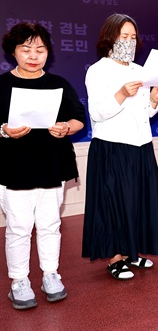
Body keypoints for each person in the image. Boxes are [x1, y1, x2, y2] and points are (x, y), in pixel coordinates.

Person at [0, 22, 86, 309]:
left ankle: (51, 274)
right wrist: (4, 130)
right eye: (26, 49)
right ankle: (19, 281)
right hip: (14, 166)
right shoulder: (1, 85)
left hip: (52, 163)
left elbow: (78, 117)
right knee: (19, 227)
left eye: (40, 49)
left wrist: (66, 127)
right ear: (14, 52)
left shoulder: (59, 84)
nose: (33, 55)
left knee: (50, 224)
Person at [81, 13, 158, 280]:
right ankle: (115, 258)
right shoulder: (98, 70)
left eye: (133, 37)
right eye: (124, 37)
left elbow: (146, 113)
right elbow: (96, 113)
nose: (129, 42)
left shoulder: (140, 71)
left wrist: (153, 100)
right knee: (114, 203)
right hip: (112, 147)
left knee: (138, 200)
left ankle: (133, 251)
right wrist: (121, 94)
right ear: (110, 38)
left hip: (141, 145)